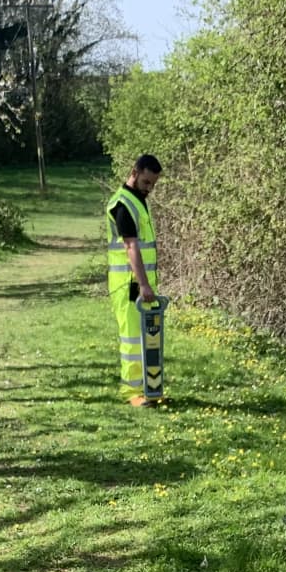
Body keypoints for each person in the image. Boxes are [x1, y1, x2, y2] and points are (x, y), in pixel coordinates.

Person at [106, 155, 163, 406]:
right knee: (132, 339)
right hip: (129, 285)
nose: (149, 188)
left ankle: (151, 390)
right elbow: (131, 247)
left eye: (153, 184)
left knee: (149, 338)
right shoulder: (122, 204)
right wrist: (144, 284)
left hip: (142, 284)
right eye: (146, 182)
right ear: (135, 172)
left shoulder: (139, 201)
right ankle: (132, 393)